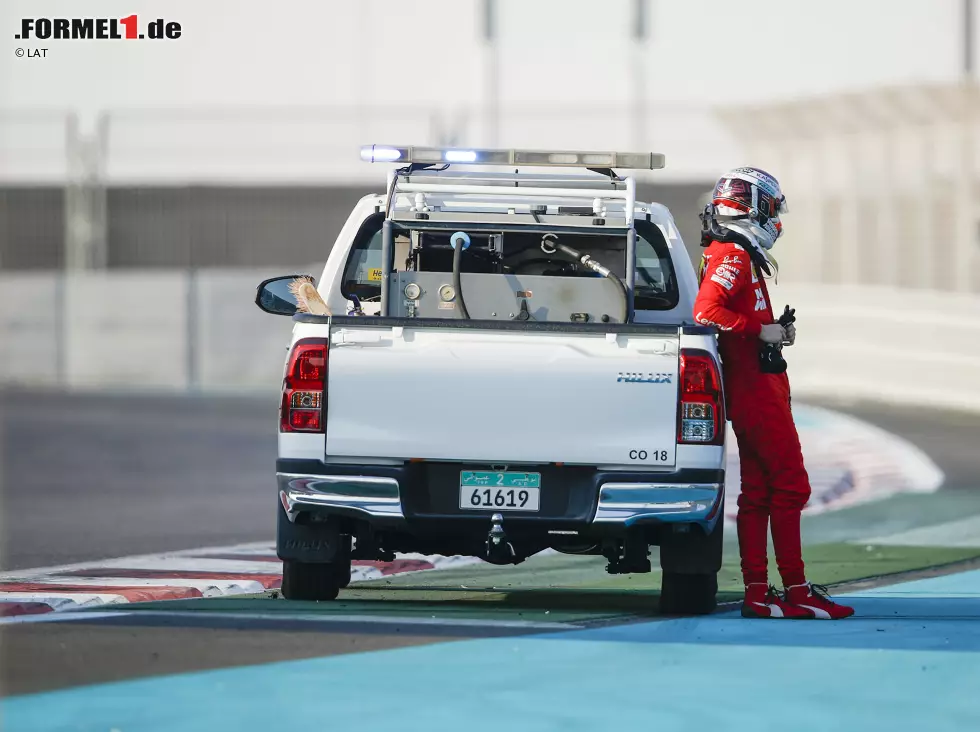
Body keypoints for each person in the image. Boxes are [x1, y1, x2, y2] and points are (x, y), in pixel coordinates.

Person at [692, 167, 854, 620]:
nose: (776, 219)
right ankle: (796, 589)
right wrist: (761, 330)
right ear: (753, 205)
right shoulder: (734, 254)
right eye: (772, 208)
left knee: (760, 491)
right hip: (755, 391)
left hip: (758, 386)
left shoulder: (737, 252)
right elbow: (706, 311)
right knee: (791, 485)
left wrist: (773, 331)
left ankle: (759, 594)